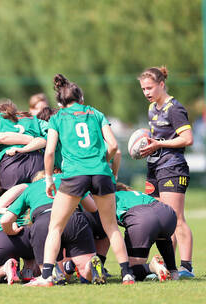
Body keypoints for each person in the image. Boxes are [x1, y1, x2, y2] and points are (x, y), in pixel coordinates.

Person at [23, 74, 134, 286]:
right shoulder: (96, 113)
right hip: (101, 172)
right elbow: (113, 146)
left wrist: (48, 179)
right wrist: (103, 164)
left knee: (55, 226)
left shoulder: (57, 117)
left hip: (74, 174)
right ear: (81, 97)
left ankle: (46, 276)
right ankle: (127, 273)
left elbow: (49, 152)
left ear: (59, 102)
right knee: (111, 226)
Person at [0, 172, 107, 286]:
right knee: (85, 270)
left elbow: (5, 220)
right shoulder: (70, 180)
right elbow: (92, 207)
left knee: (50, 270)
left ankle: (52, 272)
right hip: (74, 218)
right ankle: (90, 266)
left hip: (44, 221)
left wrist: (11, 231)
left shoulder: (31, 188)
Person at [138, 66, 194, 278]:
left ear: (162, 84)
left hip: (173, 167)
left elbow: (187, 138)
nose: (147, 92)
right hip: (155, 168)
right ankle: (169, 267)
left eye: (150, 87)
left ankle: (187, 267)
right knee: (161, 221)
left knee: (176, 218)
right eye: (143, 89)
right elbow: (156, 140)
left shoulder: (174, 108)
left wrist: (159, 144)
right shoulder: (152, 108)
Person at [115, 182, 178, 281]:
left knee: (130, 272)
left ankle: (152, 266)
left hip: (142, 217)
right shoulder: (136, 193)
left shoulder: (111, 197)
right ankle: (173, 271)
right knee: (162, 237)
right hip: (167, 213)